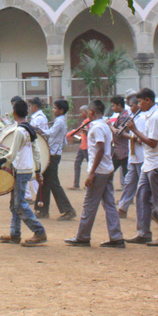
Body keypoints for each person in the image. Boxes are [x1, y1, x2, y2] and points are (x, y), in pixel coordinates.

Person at [0, 99, 47, 246]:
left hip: (20, 170)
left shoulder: (19, 131)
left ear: (13, 113)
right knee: (15, 204)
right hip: (25, 169)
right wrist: (38, 172)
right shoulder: (29, 128)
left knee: (19, 204)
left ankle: (39, 232)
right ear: (27, 112)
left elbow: (11, 155)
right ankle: (15, 234)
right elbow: (36, 152)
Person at [65, 100, 124, 248]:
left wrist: (91, 173)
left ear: (91, 111)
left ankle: (83, 237)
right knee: (109, 204)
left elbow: (100, 149)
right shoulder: (103, 126)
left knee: (89, 204)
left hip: (99, 171)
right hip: (107, 169)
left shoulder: (97, 128)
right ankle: (116, 237)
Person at [125, 88, 158, 246]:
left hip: (157, 164)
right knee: (142, 197)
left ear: (148, 100)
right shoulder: (150, 116)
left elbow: (152, 142)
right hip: (149, 163)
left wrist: (134, 131)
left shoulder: (155, 118)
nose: (139, 105)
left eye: (140, 102)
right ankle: (144, 232)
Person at [38, 99, 76, 221]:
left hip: (53, 155)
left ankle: (68, 210)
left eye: (55, 108)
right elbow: (62, 140)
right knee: (46, 181)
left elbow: (50, 134)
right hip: (53, 153)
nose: (53, 110)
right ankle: (42, 209)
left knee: (53, 182)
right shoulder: (60, 121)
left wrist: (38, 130)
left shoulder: (59, 121)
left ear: (61, 110)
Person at [117, 93, 146, 217]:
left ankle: (148, 211)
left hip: (141, 157)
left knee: (143, 186)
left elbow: (140, 139)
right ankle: (122, 208)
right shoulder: (132, 117)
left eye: (132, 105)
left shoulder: (142, 119)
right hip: (133, 156)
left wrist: (125, 135)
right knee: (129, 183)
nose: (130, 108)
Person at [108, 96, 130, 182]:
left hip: (123, 150)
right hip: (119, 150)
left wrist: (110, 125)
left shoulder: (124, 117)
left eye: (113, 106)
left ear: (119, 105)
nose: (112, 108)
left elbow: (119, 132)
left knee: (126, 175)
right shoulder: (121, 116)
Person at [69, 105, 91, 189]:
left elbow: (79, 130)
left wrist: (70, 134)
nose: (80, 114)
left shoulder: (87, 121)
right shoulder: (88, 121)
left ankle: (87, 184)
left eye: (81, 112)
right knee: (78, 163)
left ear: (86, 112)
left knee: (89, 165)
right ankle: (76, 184)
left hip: (86, 146)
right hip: (83, 146)